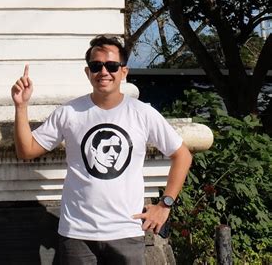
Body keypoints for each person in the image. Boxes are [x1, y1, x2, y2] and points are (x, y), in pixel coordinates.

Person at [11, 34, 192, 265]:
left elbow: (182, 155)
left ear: (123, 72)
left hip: (126, 231)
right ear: (88, 72)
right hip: (77, 233)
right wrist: (21, 106)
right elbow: (26, 150)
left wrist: (164, 206)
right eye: (96, 66)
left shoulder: (142, 113)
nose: (104, 72)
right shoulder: (69, 112)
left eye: (112, 65)